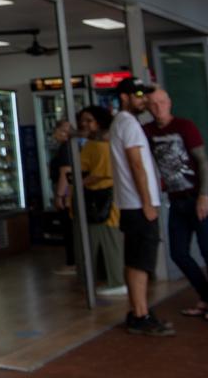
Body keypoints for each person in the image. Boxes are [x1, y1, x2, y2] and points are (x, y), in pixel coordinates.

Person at [144, 88, 208, 321]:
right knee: (179, 253)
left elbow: (202, 161)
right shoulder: (147, 131)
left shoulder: (184, 126)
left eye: (161, 102)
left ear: (169, 103)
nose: (158, 107)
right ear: (147, 107)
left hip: (198, 198)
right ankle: (207, 297)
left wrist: (203, 196)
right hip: (176, 202)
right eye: (152, 104)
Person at [108, 78, 172, 336]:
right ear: (124, 97)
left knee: (135, 259)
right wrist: (147, 203)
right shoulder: (129, 124)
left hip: (130, 204)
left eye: (144, 94)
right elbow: (137, 165)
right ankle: (140, 314)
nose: (143, 99)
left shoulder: (121, 123)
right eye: (138, 95)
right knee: (140, 262)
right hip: (138, 205)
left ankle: (138, 310)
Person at [74, 106, 126, 296]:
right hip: (107, 197)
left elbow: (98, 172)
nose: (84, 124)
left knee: (104, 239)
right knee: (108, 239)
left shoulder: (96, 145)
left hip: (100, 197)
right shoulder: (102, 142)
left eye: (89, 120)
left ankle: (114, 280)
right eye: (83, 120)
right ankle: (112, 279)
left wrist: (80, 182)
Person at [48, 119, 78, 275]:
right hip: (70, 192)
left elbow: (65, 173)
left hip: (67, 194)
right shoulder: (71, 147)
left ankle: (72, 262)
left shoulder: (65, 148)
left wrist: (60, 195)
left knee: (69, 228)